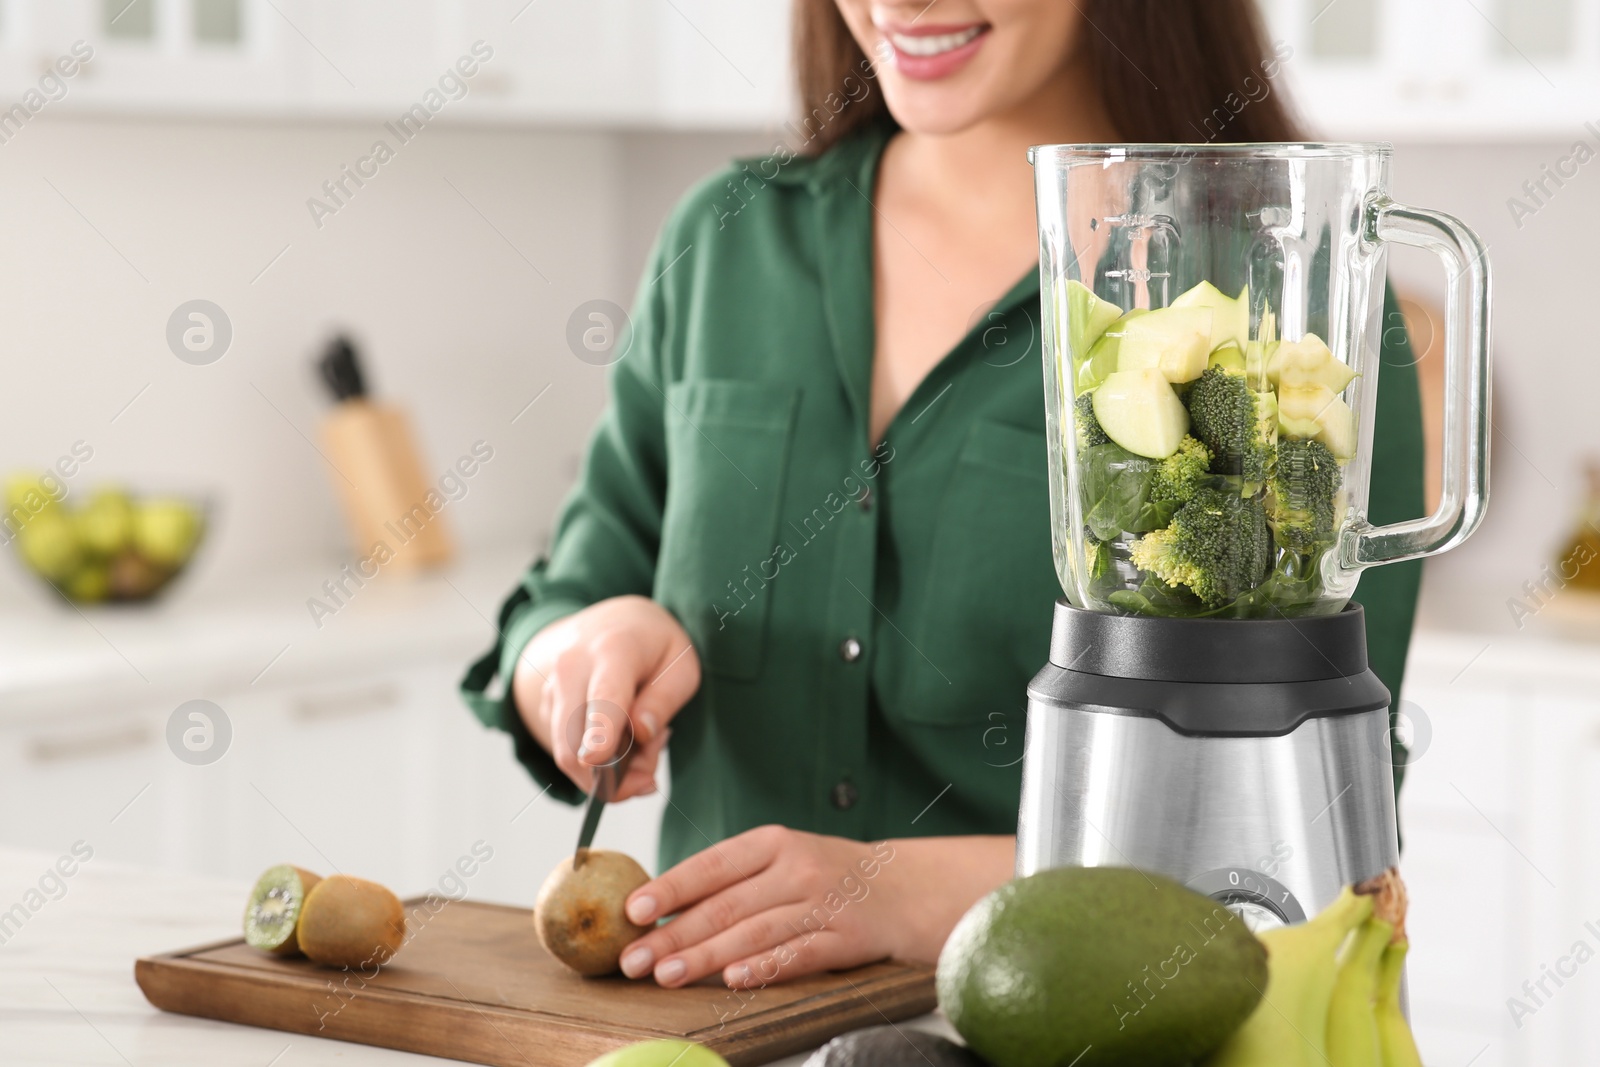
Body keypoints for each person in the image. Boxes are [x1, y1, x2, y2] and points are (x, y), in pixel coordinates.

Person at [461, 0, 1426, 991]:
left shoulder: (1281, 289)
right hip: (704, 1031)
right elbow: (563, 599)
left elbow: (1309, 806)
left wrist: (912, 891)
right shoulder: (725, 240)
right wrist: (574, 661)